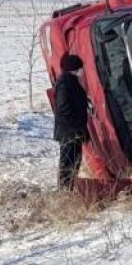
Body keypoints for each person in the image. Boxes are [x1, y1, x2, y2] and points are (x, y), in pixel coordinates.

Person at [53, 54, 90, 190]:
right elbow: (64, 107)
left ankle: (69, 188)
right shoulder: (65, 83)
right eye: (80, 68)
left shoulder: (70, 81)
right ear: (74, 69)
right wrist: (75, 126)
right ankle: (64, 189)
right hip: (69, 132)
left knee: (75, 161)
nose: (82, 70)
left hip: (73, 132)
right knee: (68, 162)